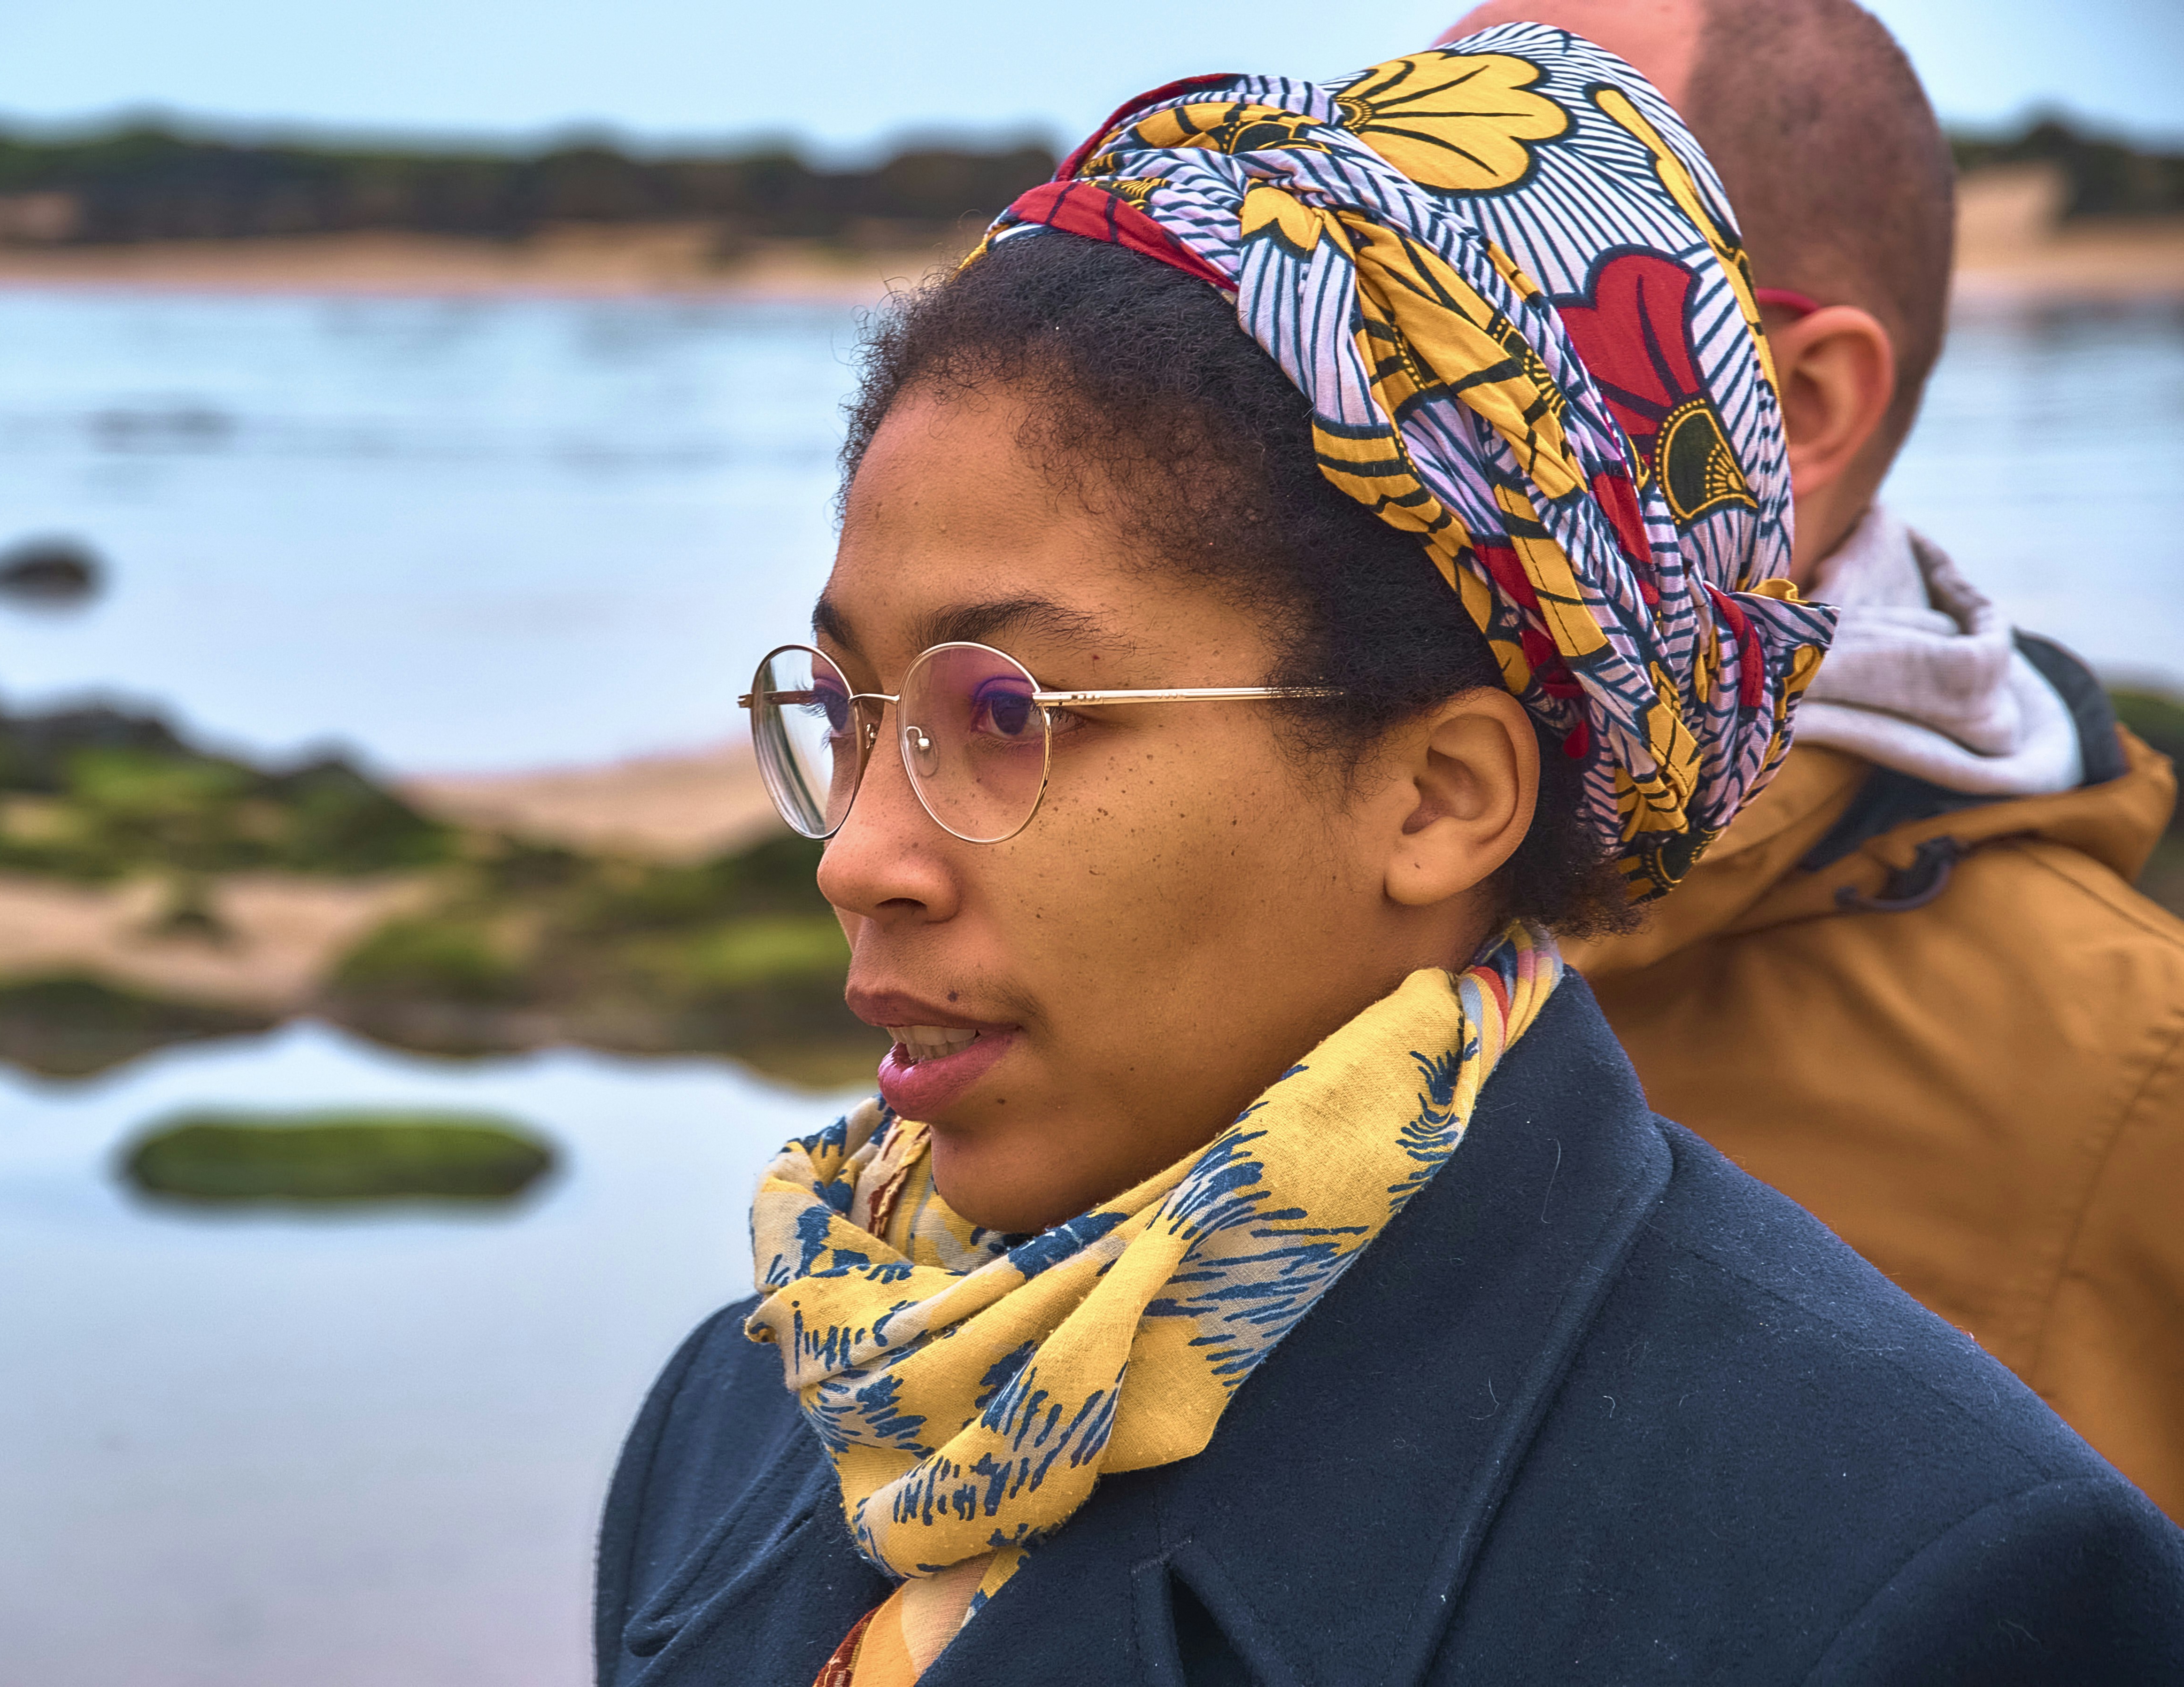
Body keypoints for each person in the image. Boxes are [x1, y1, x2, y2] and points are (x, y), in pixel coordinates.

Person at [594, 26, 2184, 1686]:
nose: (862, 855)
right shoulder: (742, 1424)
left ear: (1438, 797)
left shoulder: (1920, 1587)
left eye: (1007, 711)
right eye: (850, 709)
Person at [1440, 0, 2184, 1518]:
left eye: (1480, 316)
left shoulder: (2131, 1082)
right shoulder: (1241, 897)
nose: (1360, 400)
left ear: (1802, 405)